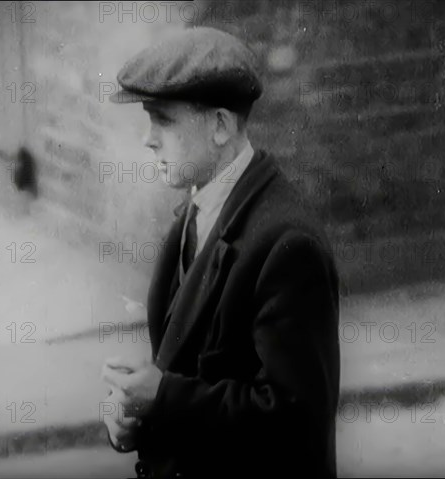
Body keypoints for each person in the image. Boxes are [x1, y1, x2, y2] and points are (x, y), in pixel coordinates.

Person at [101, 26, 340, 479]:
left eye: (163, 120)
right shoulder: (194, 215)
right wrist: (133, 420)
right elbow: (189, 376)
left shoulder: (288, 245)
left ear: (220, 126)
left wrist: (162, 397)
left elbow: (296, 420)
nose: (149, 139)